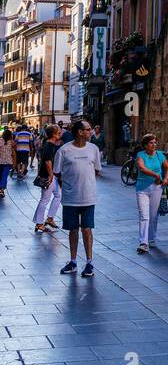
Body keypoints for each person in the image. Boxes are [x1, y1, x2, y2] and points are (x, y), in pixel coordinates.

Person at [54, 118, 102, 278]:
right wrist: (68, 187)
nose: (91, 131)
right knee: (73, 230)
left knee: (87, 230)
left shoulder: (93, 149)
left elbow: (96, 170)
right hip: (70, 198)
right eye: (88, 129)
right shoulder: (64, 150)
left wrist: (86, 184)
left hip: (88, 197)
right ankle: (73, 261)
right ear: (80, 132)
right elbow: (57, 173)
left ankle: (89, 262)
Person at [135, 133, 168, 254]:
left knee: (154, 215)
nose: (154, 145)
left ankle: (151, 239)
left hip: (157, 188)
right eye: (151, 143)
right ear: (145, 145)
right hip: (142, 189)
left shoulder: (160, 155)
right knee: (144, 215)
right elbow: (142, 168)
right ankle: (143, 242)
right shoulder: (140, 155)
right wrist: (155, 175)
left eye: (155, 142)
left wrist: (166, 178)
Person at [33, 124, 62, 232]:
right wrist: (50, 175)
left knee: (58, 195)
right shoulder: (49, 145)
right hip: (48, 176)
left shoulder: (50, 144)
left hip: (51, 175)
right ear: (53, 134)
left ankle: (49, 218)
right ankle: (39, 223)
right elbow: (47, 161)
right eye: (58, 132)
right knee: (45, 199)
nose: (60, 134)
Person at [0, 129, 15, 197]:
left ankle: (1, 189)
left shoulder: (0, 141)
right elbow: (14, 152)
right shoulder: (12, 142)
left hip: (0, 161)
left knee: (0, 175)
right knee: (4, 176)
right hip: (8, 162)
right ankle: (2, 190)